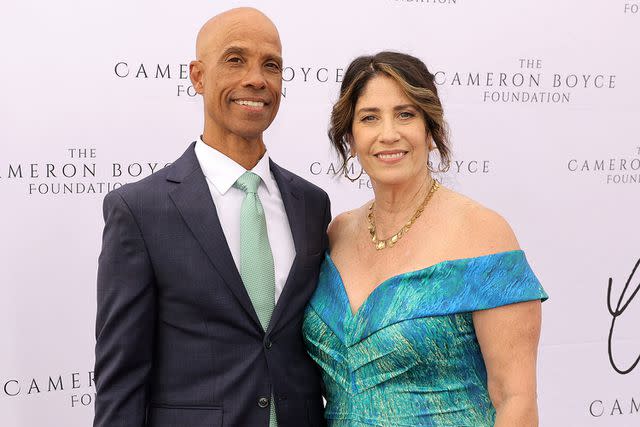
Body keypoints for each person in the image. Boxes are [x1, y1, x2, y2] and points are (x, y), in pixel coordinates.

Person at [94, 8, 329, 427]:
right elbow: (121, 378)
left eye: (270, 65)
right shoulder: (140, 210)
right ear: (198, 77)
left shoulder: (312, 205)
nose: (256, 78)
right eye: (235, 59)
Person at [302, 51, 548, 426]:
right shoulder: (339, 232)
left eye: (406, 114)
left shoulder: (484, 235)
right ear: (351, 138)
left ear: (431, 131)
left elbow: (516, 400)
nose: (388, 133)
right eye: (370, 118)